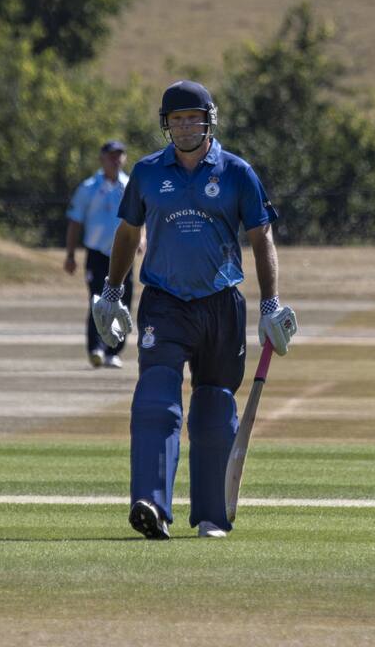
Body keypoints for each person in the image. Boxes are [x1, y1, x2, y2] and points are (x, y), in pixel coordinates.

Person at [91, 80, 298, 540]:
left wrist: (269, 303)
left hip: (222, 302)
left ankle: (211, 516)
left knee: (213, 407)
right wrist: (111, 292)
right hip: (164, 302)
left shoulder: (237, 172)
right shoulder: (146, 173)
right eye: (177, 119)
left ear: (209, 121)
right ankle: (151, 504)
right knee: (156, 398)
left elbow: (262, 238)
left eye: (193, 118)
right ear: (167, 124)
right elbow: (127, 235)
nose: (185, 127)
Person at [65, 140, 136, 368]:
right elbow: (75, 222)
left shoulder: (130, 185)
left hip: (125, 254)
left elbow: (139, 219)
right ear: (102, 159)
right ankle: (96, 348)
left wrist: (142, 239)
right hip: (97, 252)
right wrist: (70, 254)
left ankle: (113, 351)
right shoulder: (89, 187)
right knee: (98, 300)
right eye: (111, 156)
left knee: (122, 302)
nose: (116, 160)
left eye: (119, 155)